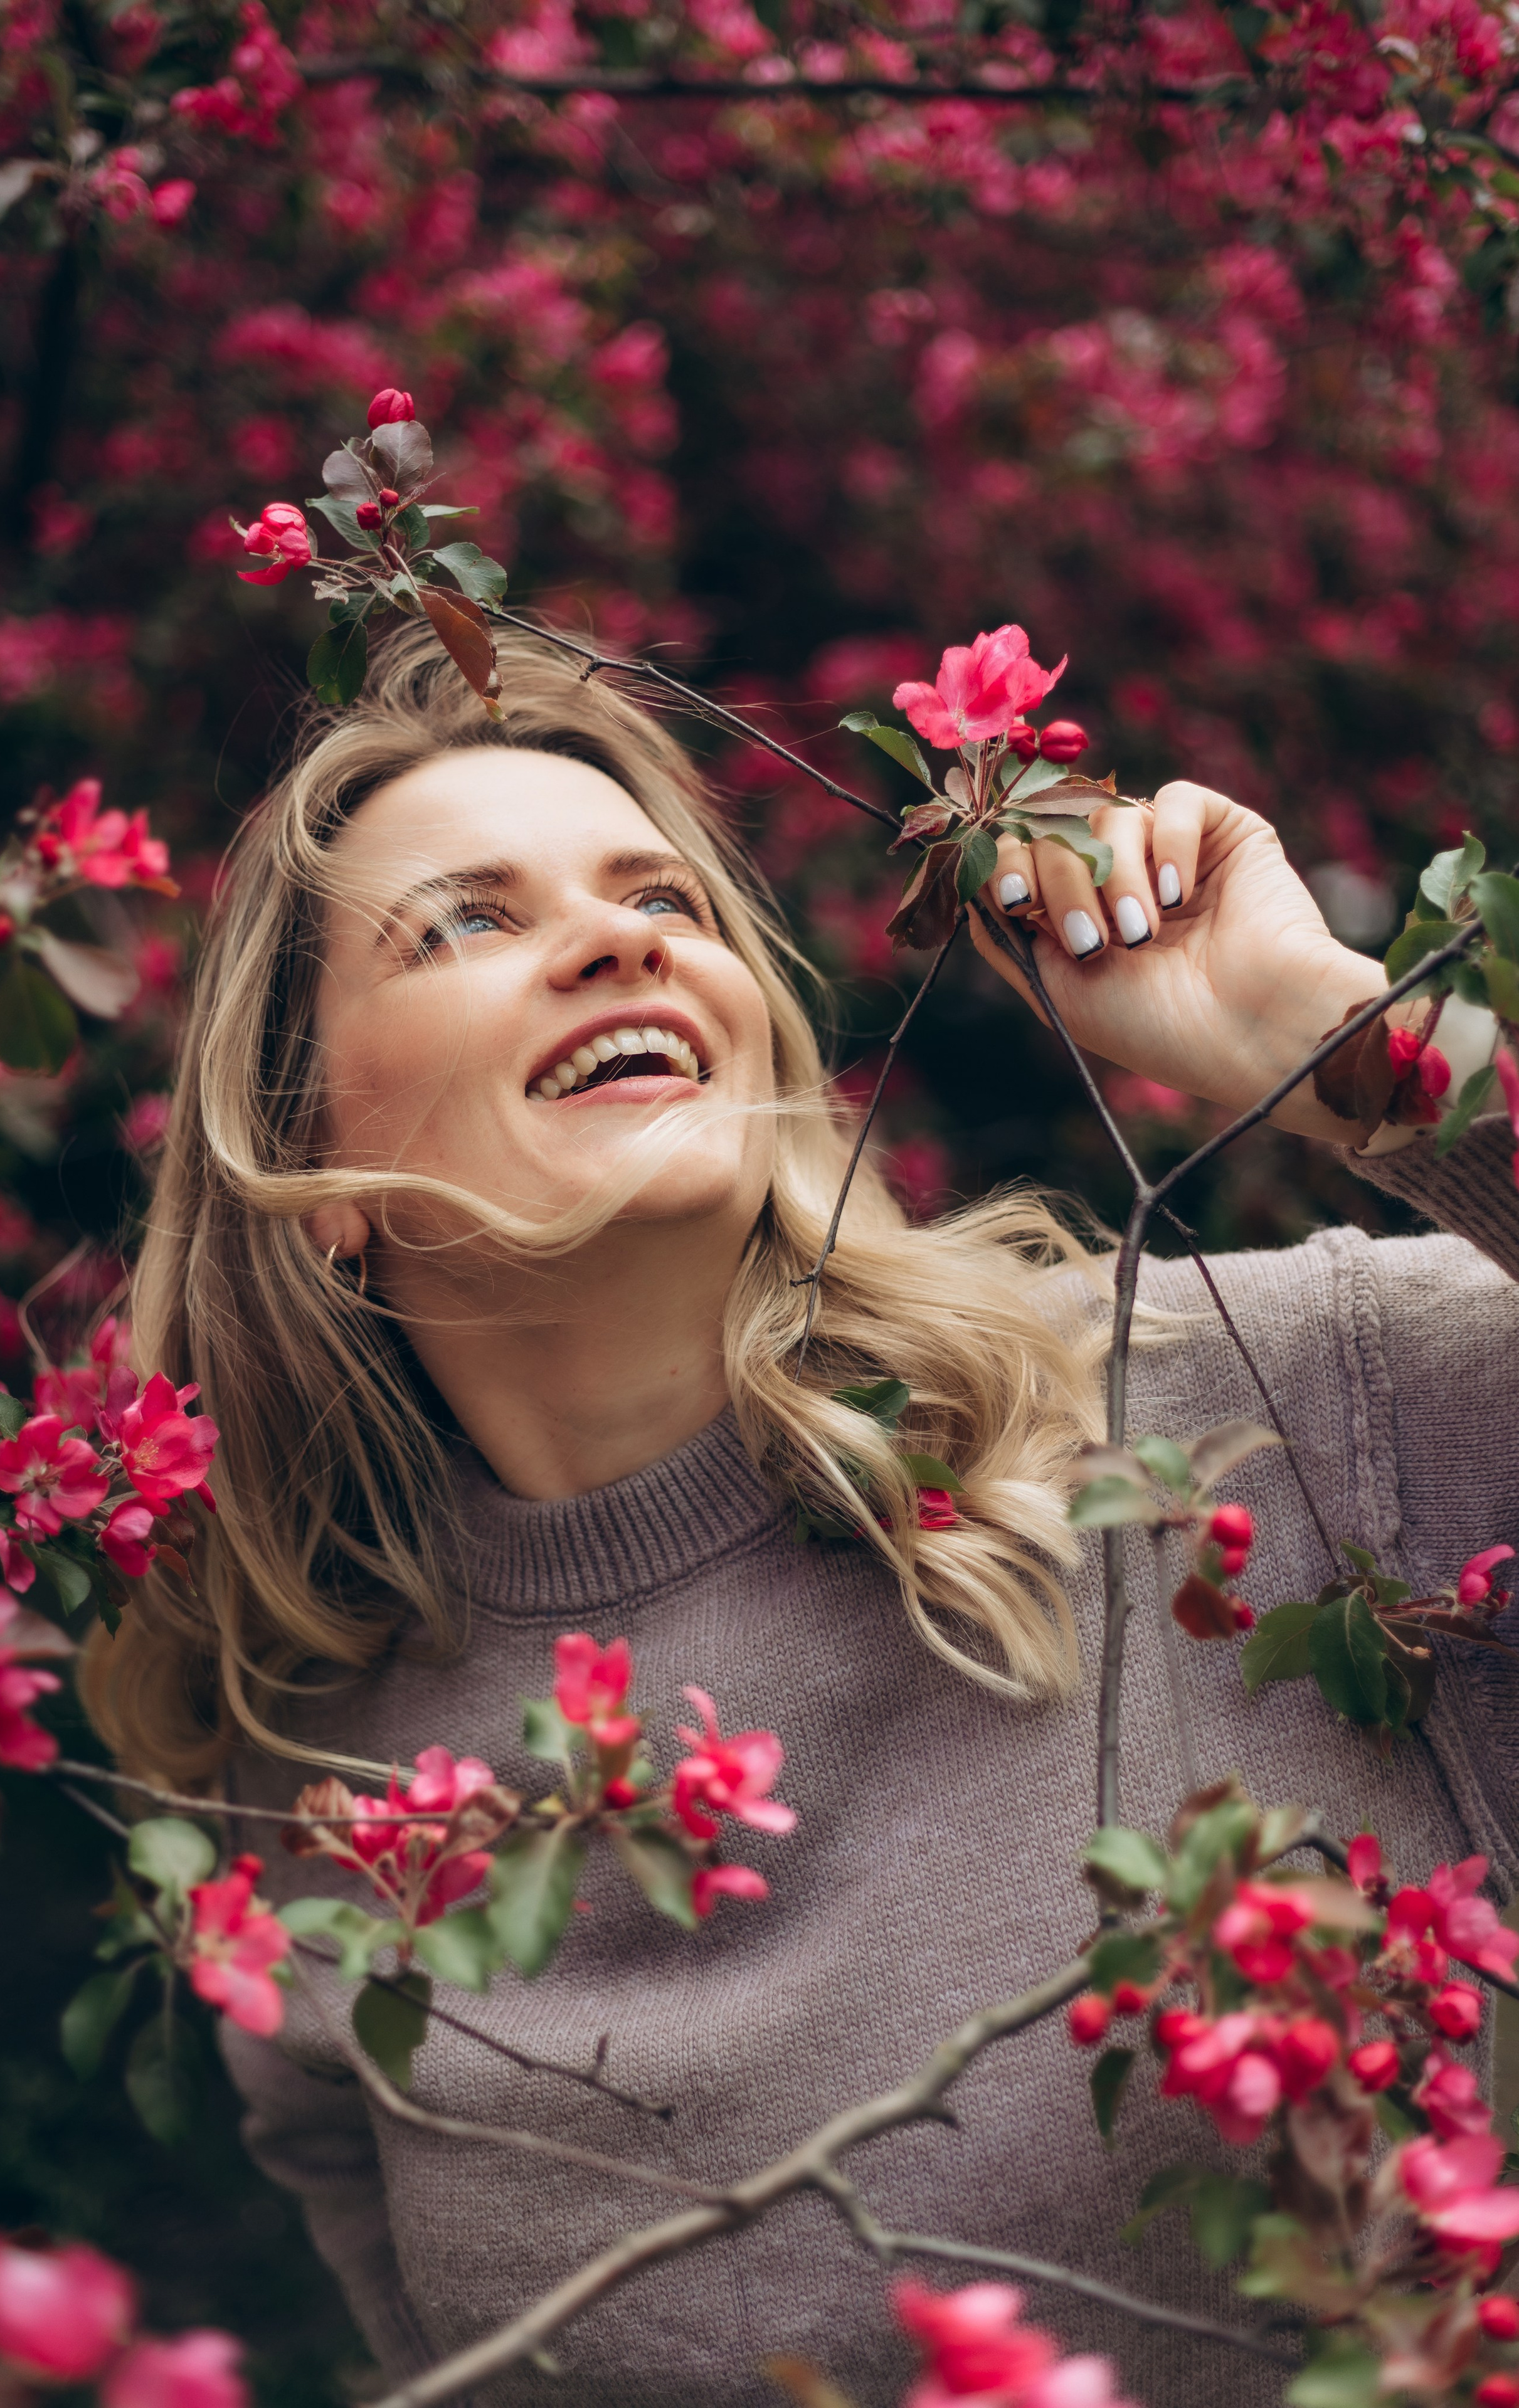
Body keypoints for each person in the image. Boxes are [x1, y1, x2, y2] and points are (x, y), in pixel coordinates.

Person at [87, 625, 1519, 2408]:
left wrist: (1333, 1038)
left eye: (660, 895)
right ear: (309, 1170)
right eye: (466, 918)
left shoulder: (1268, 1405)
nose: (623, 938)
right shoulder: (321, 1805)